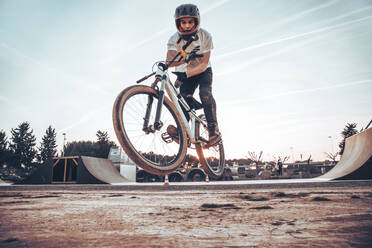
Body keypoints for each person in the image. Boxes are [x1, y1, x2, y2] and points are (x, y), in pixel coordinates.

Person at [165, 3, 221, 147]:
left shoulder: (205, 36)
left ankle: (213, 131)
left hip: (204, 71)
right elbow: (169, 61)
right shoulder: (173, 39)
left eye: (190, 21)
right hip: (186, 73)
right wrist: (182, 71)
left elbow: (203, 63)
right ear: (178, 23)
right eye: (183, 22)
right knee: (183, 99)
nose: (187, 25)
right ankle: (182, 131)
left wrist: (185, 71)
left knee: (205, 93)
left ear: (196, 21)